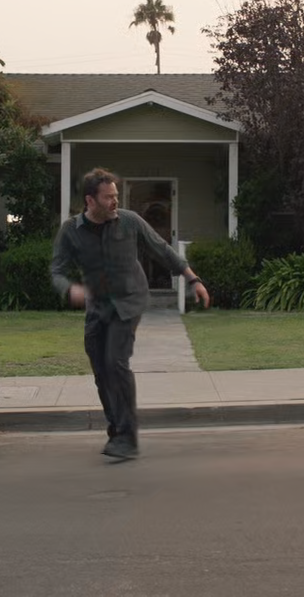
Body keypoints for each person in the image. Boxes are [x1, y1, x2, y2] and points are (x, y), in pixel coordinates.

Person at [51, 167, 210, 461]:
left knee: (115, 361)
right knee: (101, 370)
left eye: (116, 195)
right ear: (90, 200)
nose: (115, 201)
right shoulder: (71, 230)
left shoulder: (130, 221)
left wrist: (193, 280)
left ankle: (127, 437)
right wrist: (69, 289)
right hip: (98, 305)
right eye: (108, 197)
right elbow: (56, 271)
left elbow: (162, 250)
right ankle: (117, 427)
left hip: (129, 301)